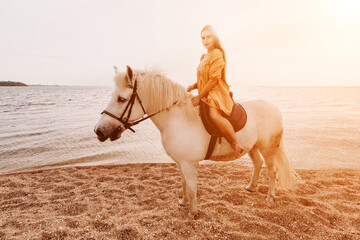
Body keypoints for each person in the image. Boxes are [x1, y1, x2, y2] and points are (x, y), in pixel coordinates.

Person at [187, 25, 243, 158]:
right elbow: (203, 77)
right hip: (205, 90)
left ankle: (235, 144)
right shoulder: (203, 56)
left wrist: (199, 96)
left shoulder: (217, 53)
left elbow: (213, 79)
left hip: (215, 91)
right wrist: (194, 86)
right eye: (203, 38)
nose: (205, 40)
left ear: (215, 38)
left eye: (208, 37)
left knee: (214, 115)